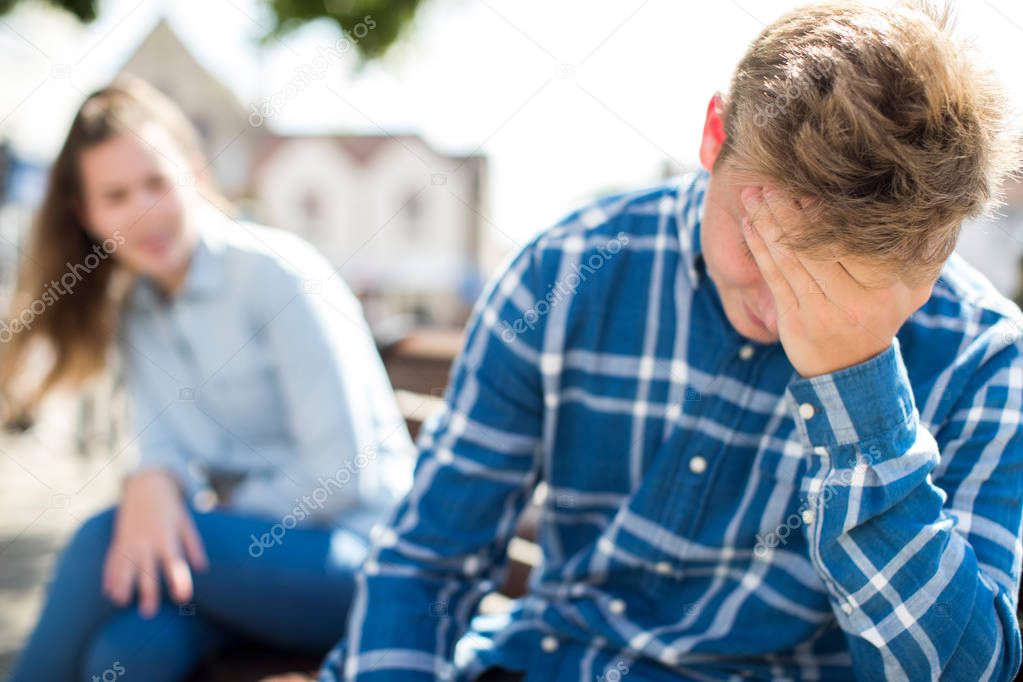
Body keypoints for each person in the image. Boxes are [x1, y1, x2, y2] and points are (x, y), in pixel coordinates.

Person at [317, 2, 1023, 680]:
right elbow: (424, 566)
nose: (788, 315)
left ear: (932, 255)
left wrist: (861, 393)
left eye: (838, 284)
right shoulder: (566, 272)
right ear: (715, 134)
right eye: (765, 244)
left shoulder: (980, 358)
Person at [4, 76, 414, 681]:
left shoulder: (279, 276)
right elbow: (164, 444)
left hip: (363, 563)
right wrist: (154, 479)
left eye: (156, 183)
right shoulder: (137, 310)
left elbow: (340, 475)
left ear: (195, 174)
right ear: (87, 216)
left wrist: (192, 518)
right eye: (116, 196)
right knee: (126, 653)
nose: (144, 212)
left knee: (103, 539)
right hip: (238, 574)